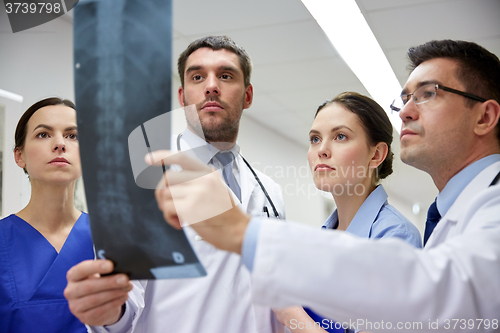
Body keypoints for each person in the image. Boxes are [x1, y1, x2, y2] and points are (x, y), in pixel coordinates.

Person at [153, 39, 500, 332]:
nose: (406, 112)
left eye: (427, 94)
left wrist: (248, 238)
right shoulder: (450, 214)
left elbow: (434, 293)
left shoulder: (417, 228)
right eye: (315, 138)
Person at [64, 36, 286, 333]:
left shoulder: (270, 191)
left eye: (225, 75)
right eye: (197, 76)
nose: (211, 86)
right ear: (182, 97)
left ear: (247, 96)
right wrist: (107, 309)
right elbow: (124, 302)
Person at [273, 92, 421, 333]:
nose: (321, 150)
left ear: (376, 155)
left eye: (340, 136)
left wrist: (290, 314)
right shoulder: (323, 237)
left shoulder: (395, 237)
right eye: (314, 139)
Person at [0, 98, 94, 332]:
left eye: (73, 135)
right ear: (19, 156)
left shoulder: (113, 239)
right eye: (43, 134)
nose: (60, 144)